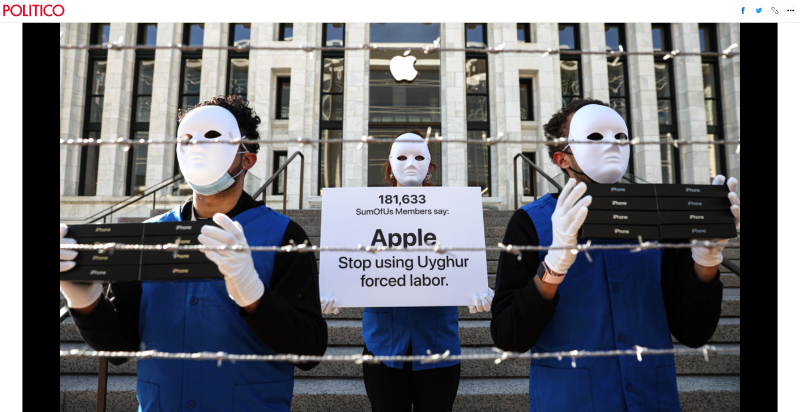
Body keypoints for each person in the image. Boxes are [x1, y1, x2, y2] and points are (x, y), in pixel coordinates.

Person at [59, 95, 327, 411]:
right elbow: (120, 346)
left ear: (247, 159)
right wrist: (85, 300)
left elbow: (310, 349)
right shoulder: (147, 236)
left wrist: (254, 295)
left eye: (214, 138)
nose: (199, 147)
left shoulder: (284, 235)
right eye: (188, 139)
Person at [490, 99, 740, 412]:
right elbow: (508, 335)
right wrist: (552, 267)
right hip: (570, 401)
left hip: (651, 399)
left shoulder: (661, 220)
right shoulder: (529, 223)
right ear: (561, 159)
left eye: (620, 137)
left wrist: (706, 263)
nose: (611, 145)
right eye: (593, 136)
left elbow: (693, 331)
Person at [320, 131, 492, 411]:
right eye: (401, 157)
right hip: (383, 345)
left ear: (430, 165)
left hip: (438, 345)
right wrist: (336, 290)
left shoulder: (454, 212)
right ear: (389, 166)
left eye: (419, 157)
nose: (410, 163)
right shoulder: (362, 213)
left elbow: (462, 259)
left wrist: (476, 285)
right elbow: (354, 263)